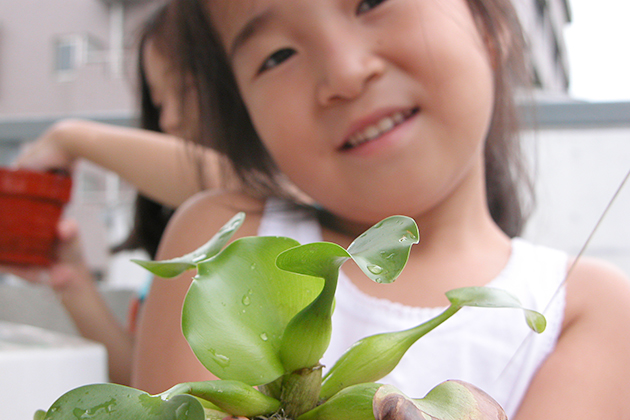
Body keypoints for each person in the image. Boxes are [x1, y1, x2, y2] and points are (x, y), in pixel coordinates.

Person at [129, 0, 630, 419]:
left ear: (488, 21)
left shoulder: (590, 307)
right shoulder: (220, 248)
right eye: (277, 55)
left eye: (372, 2)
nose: (344, 74)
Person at [1, 2, 233, 385]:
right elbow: (143, 384)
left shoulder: (287, 204)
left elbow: (241, 185)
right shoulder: (179, 238)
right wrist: (72, 281)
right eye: (160, 103)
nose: (170, 118)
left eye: (187, 90)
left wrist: (72, 137)